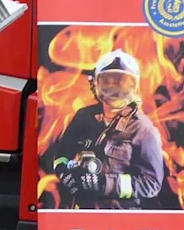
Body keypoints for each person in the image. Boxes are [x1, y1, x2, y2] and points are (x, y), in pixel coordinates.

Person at [51, 49, 164, 209]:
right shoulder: (83, 117)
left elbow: (151, 183)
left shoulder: (144, 130)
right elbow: (62, 152)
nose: (114, 90)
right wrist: (63, 171)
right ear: (95, 85)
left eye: (121, 83)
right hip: (80, 213)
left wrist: (106, 183)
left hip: (120, 218)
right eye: (108, 82)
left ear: (134, 86)